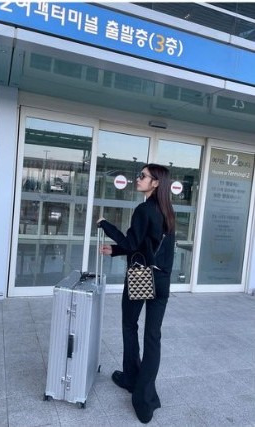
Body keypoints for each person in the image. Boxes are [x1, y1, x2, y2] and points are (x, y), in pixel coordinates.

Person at [97, 164, 175, 424]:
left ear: (155, 183)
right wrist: (116, 251)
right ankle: (146, 397)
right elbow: (146, 244)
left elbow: (132, 243)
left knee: (130, 325)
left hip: (142, 277)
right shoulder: (167, 210)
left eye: (142, 176)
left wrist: (105, 224)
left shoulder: (143, 209)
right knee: (153, 337)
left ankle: (131, 378)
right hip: (162, 279)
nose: (138, 179)